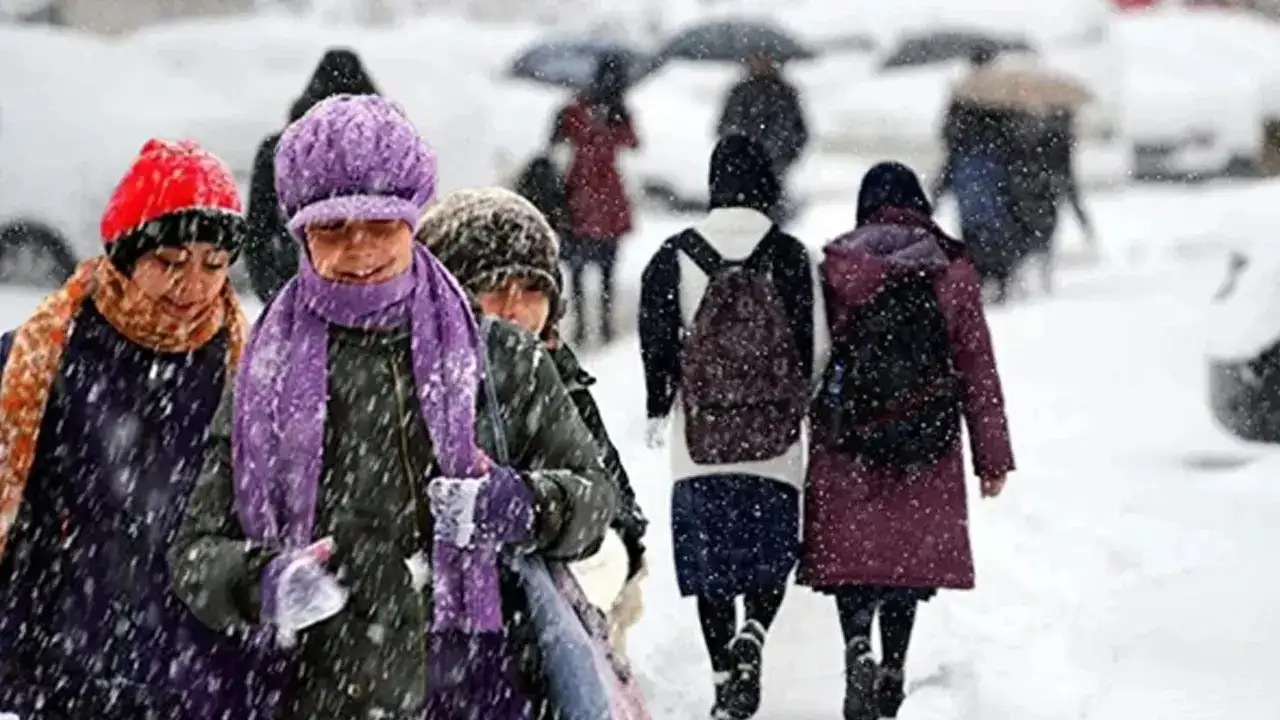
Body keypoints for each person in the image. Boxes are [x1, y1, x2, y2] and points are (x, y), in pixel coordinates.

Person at [167, 95, 616, 719]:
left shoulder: (499, 356)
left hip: (481, 687)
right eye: (332, 230)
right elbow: (195, 550)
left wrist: (522, 504)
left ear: (413, 219)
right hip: (322, 693)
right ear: (300, 232)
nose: (359, 249)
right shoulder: (263, 373)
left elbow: (596, 500)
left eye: (381, 226)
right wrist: (261, 580)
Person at [0, 139, 258, 718]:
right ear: (123, 254)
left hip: (199, 670)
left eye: (214, 265)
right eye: (169, 262)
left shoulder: (245, 365)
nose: (192, 286)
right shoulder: (39, 358)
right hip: (67, 662)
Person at [801, 162, 1014, 719]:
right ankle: (893, 665)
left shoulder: (838, 267)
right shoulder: (950, 269)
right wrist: (992, 457)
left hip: (851, 440)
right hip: (928, 440)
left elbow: (816, 360)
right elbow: (977, 369)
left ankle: (856, 646)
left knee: (855, 561)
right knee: (903, 566)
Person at [419, 186, 650, 659]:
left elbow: (613, 508)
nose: (514, 309)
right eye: (493, 288)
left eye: (532, 290)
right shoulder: (422, 381)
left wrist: (533, 508)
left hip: (542, 631)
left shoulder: (560, 379)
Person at [639, 135, 819, 720]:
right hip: (775, 445)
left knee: (712, 568)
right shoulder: (791, 255)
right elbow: (814, 351)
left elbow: (656, 344)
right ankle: (756, 634)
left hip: (701, 444)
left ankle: (724, 680)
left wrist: (658, 402)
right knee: (770, 556)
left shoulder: (673, 255)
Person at [243, 47, 380, 305]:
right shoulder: (384, 150)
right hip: (367, 294)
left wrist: (275, 294)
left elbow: (257, 233)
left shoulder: (279, 149)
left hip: (295, 284)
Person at [550, 50, 640, 346]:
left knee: (577, 268)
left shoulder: (577, 109)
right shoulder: (615, 112)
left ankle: (583, 324)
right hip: (603, 198)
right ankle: (603, 324)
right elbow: (632, 142)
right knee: (605, 268)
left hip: (579, 198)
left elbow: (556, 142)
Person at [931, 46, 1023, 303]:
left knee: (973, 225)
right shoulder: (1002, 96)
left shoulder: (963, 95)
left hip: (969, 169)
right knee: (994, 223)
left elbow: (947, 134)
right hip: (992, 170)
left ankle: (980, 276)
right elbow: (1014, 138)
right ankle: (998, 275)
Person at [1006, 108, 1094, 294]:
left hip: (1028, 194)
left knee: (1027, 239)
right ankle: (1041, 280)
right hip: (1046, 196)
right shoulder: (1059, 139)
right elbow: (1068, 179)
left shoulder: (1026, 132)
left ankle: (1027, 279)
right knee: (1043, 239)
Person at [717, 52, 810, 225]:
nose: (761, 63)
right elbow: (725, 126)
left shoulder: (785, 93)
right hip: (742, 170)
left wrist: (782, 156)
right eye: (756, 58)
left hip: (774, 167)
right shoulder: (740, 92)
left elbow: (799, 132)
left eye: (766, 57)